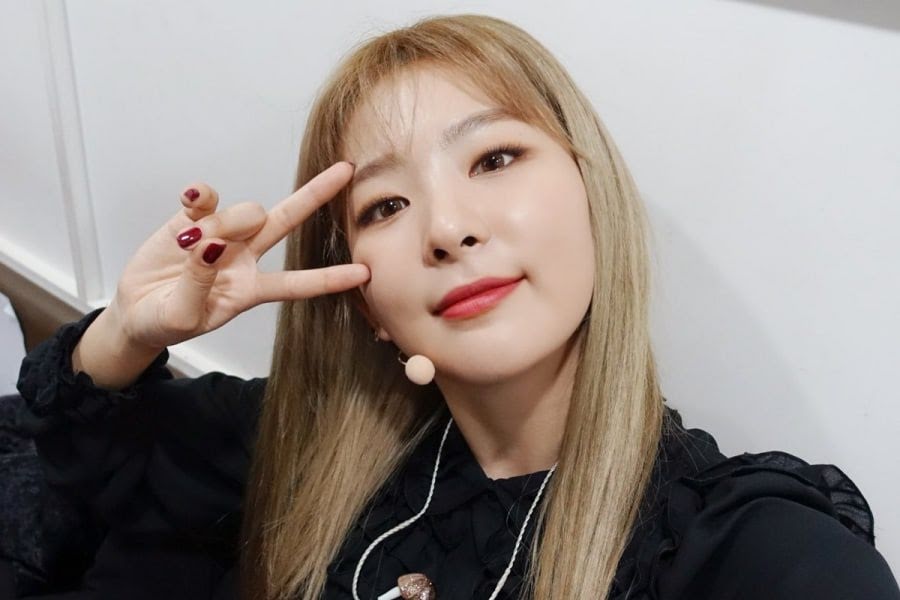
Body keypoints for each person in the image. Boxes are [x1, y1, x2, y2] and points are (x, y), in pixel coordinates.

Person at [12, 13, 900, 600]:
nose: (446, 228)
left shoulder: (735, 547)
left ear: (593, 198)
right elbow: (84, 470)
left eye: (494, 159)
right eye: (386, 206)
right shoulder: (306, 448)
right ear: (366, 303)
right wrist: (131, 331)